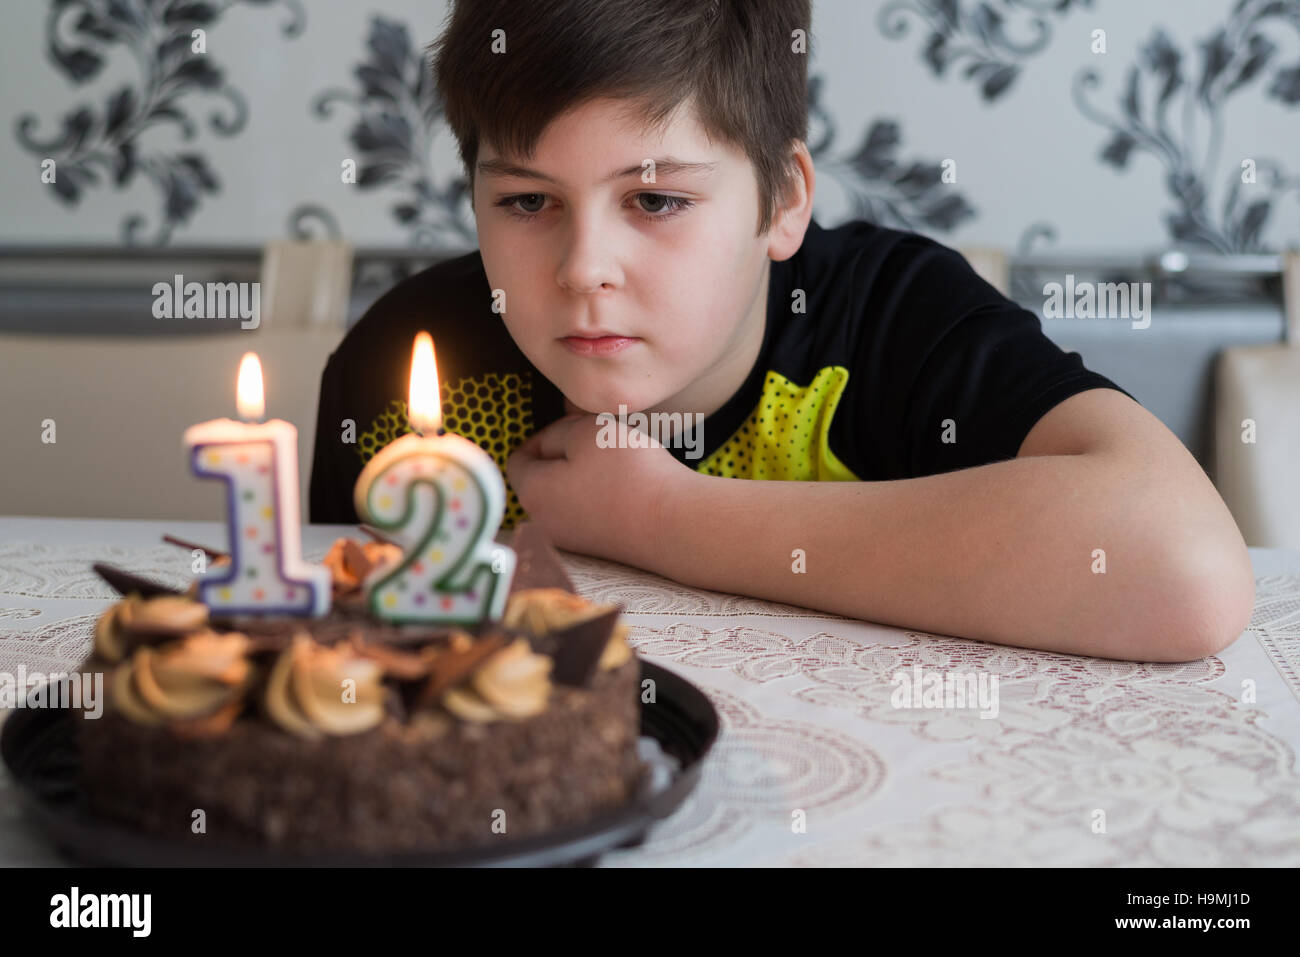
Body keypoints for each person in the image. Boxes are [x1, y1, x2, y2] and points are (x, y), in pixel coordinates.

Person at [310, 0, 1254, 662]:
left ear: (782, 200)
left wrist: (662, 517)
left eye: (655, 197)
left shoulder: (892, 318)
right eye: (525, 200)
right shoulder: (401, 366)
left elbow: (1187, 573)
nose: (581, 268)